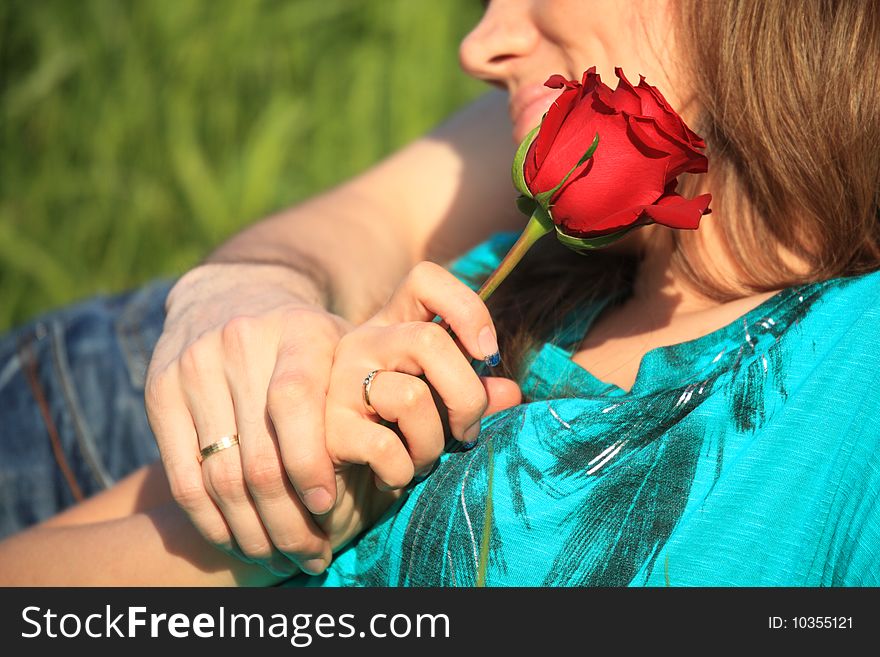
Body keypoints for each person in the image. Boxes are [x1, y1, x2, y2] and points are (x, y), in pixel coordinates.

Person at [1, 0, 879, 586]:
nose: (477, 45)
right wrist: (288, 505)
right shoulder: (499, 286)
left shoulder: (845, 364)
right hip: (121, 391)